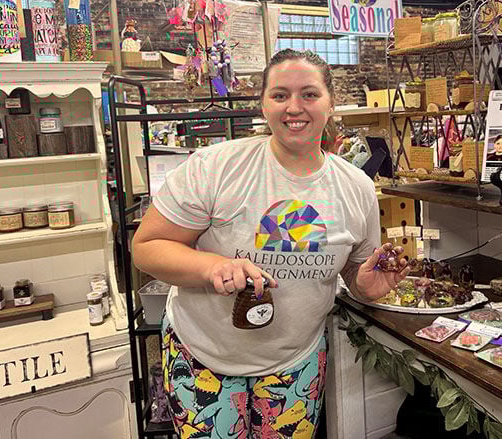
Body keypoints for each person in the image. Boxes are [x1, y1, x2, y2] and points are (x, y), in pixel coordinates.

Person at [132, 49, 410, 439]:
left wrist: (365, 286)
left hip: (295, 362)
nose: (294, 107)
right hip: (203, 358)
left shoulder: (357, 188)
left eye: (309, 94)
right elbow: (147, 246)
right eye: (280, 95)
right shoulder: (215, 167)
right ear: (263, 103)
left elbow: (353, 270)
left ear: (331, 103)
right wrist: (212, 267)